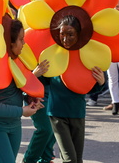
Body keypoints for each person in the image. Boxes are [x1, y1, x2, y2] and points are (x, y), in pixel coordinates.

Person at [0, 16, 43, 163]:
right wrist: (22, 111)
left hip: (13, 125)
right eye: (20, 39)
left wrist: (31, 98)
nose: (24, 43)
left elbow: (18, 89)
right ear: (8, 42)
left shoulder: (16, 60)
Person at [45, 15, 105, 163]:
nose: (65, 39)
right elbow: (41, 81)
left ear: (78, 34)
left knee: (77, 159)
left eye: (70, 34)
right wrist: (36, 73)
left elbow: (89, 88)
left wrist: (101, 83)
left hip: (77, 112)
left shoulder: (85, 56)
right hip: (57, 113)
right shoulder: (53, 54)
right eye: (62, 35)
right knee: (70, 159)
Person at [22, 60, 56, 163]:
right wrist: (33, 76)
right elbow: (20, 80)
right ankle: (29, 160)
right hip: (35, 94)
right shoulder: (26, 49)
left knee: (55, 129)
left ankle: (45, 158)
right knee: (46, 129)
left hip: (55, 93)